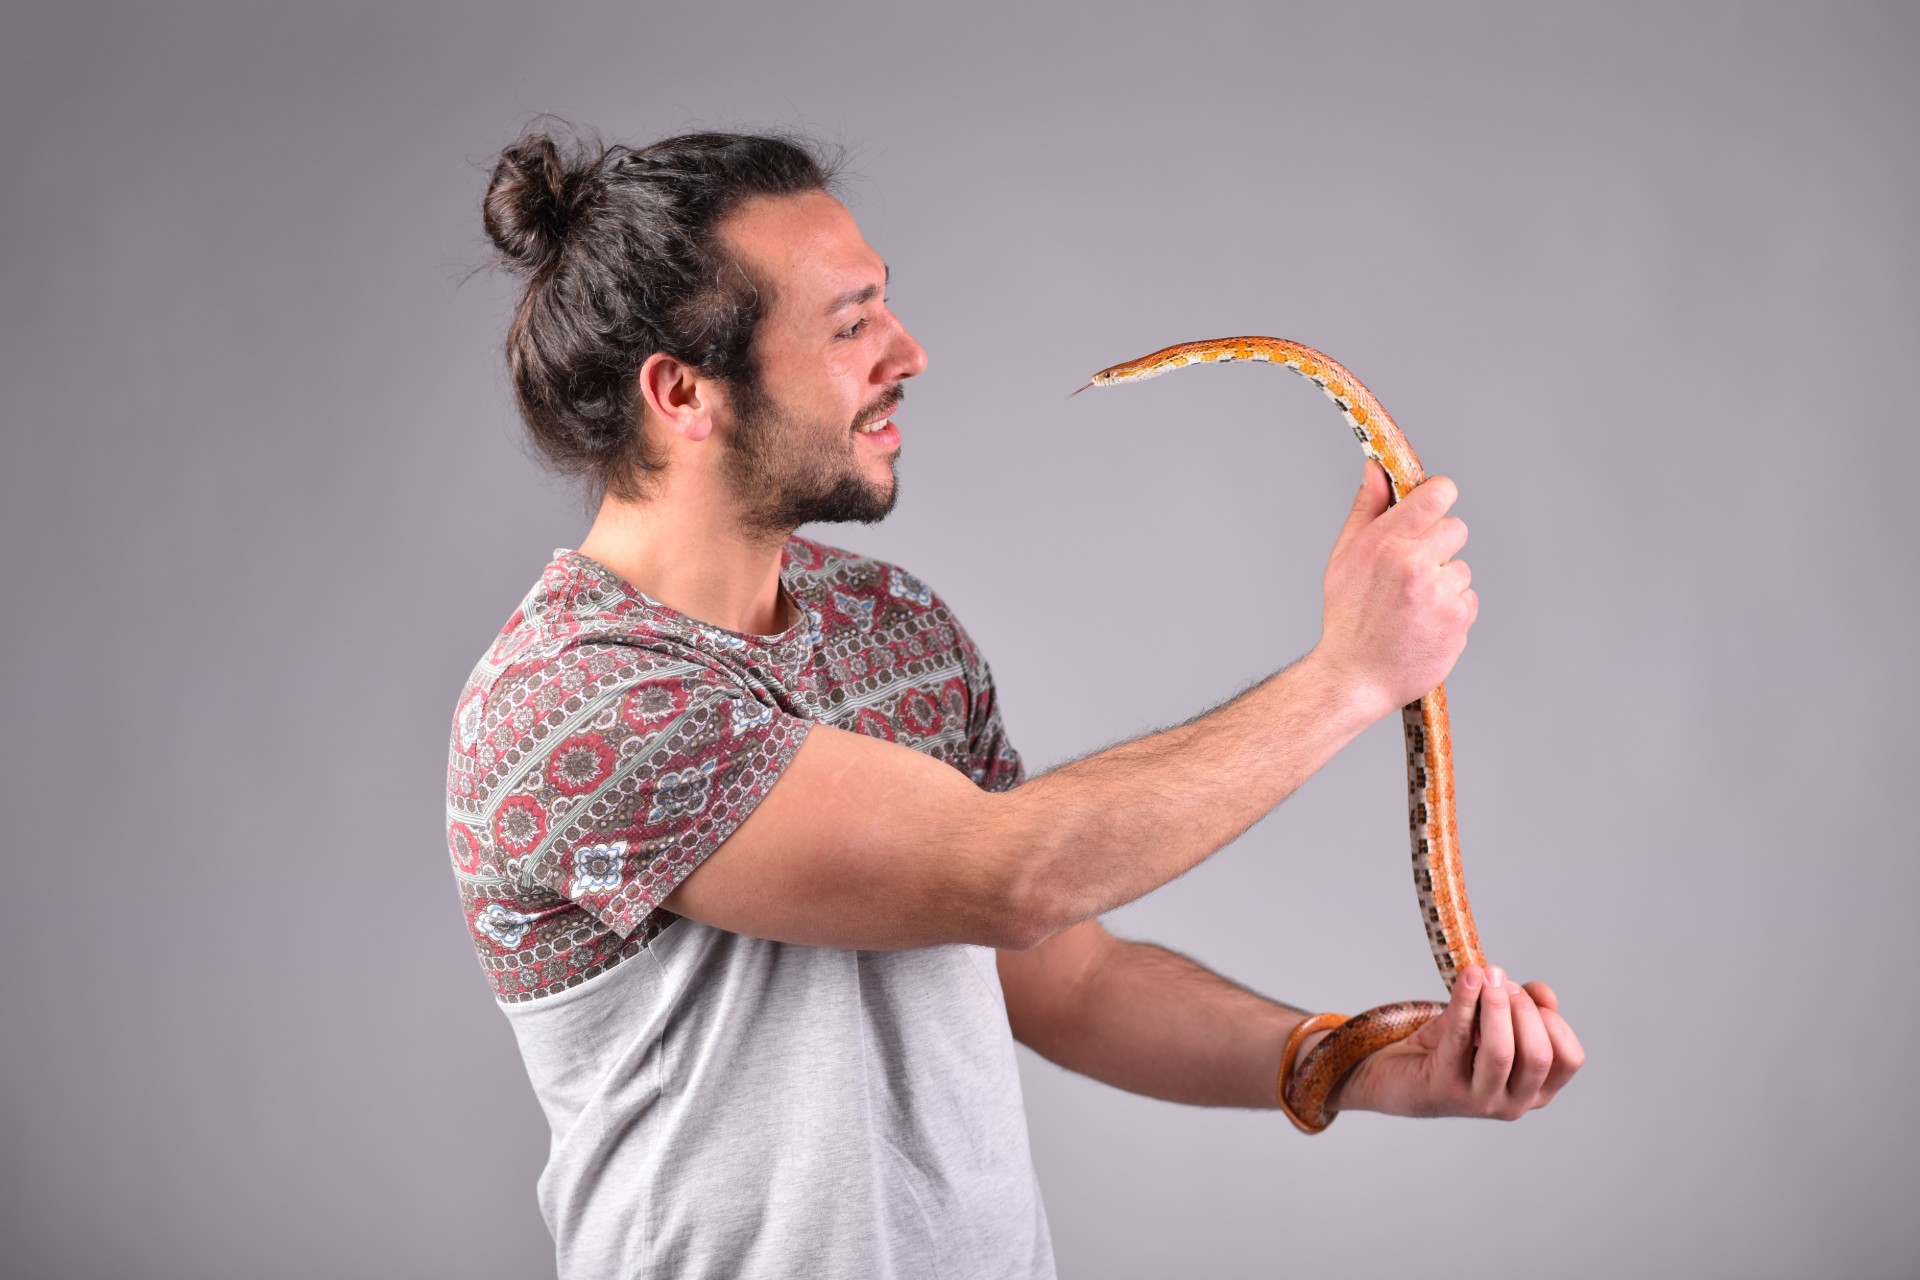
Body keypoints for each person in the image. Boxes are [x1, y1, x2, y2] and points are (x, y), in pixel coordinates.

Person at [445, 123, 1582, 1280]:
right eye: (850, 325)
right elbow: (1010, 877)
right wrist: (1351, 675)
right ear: (682, 391)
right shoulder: (574, 702)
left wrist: (1342, 1060)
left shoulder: (891, 623)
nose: (909, 350)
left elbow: (1065, 976)